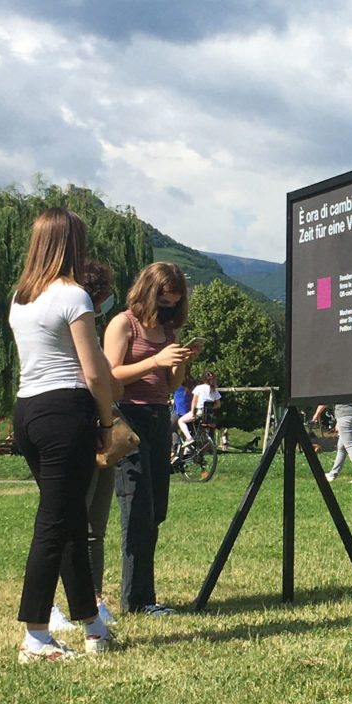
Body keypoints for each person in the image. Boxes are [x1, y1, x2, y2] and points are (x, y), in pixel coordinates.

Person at [9, 208, 115, 661]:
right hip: (65, 412)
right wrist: (108, 423)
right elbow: (94, 374)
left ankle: (92, 624)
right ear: (73, 244)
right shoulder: (75, 297)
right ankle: (35, 636)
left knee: (70, 519)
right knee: (54, 526)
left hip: (27, 411)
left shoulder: (19, 297)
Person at [103, 262, 194, 615]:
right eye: (165, 298)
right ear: (149, 291)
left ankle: (143, 595)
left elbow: (169, 385)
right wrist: (155, 361)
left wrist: (180, 362)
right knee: (136, 506)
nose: (170, 306)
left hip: (159, 418)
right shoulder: (124, 323)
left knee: (155, 510)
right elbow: (111, 376)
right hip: (129, 418)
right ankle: (137, 600)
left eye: (175, 301)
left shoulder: (168, 330)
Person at [49, 259, 121, 633]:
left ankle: (92, 600)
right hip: (79, 428)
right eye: (105, 295)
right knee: (65, 522)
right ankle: (49, 606)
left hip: (96, 433)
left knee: (94, 525)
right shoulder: (71, 325)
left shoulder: (88, 328)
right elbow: (102, 379)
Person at [310, 402, 352, 483]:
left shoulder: (336, 388)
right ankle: (333, 474)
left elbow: (326, 401)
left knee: (350, 446)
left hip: (344, 416)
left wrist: (315, 415)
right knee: (341, 447)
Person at [178, 370, 221, 444]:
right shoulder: (214, 390)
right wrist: (210, 408)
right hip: (209, 414)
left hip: (199, 412)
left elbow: (194, 401)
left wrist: (192, 412)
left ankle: (189, 438)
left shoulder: (199, 388)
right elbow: (218, 404)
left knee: (181, 421)